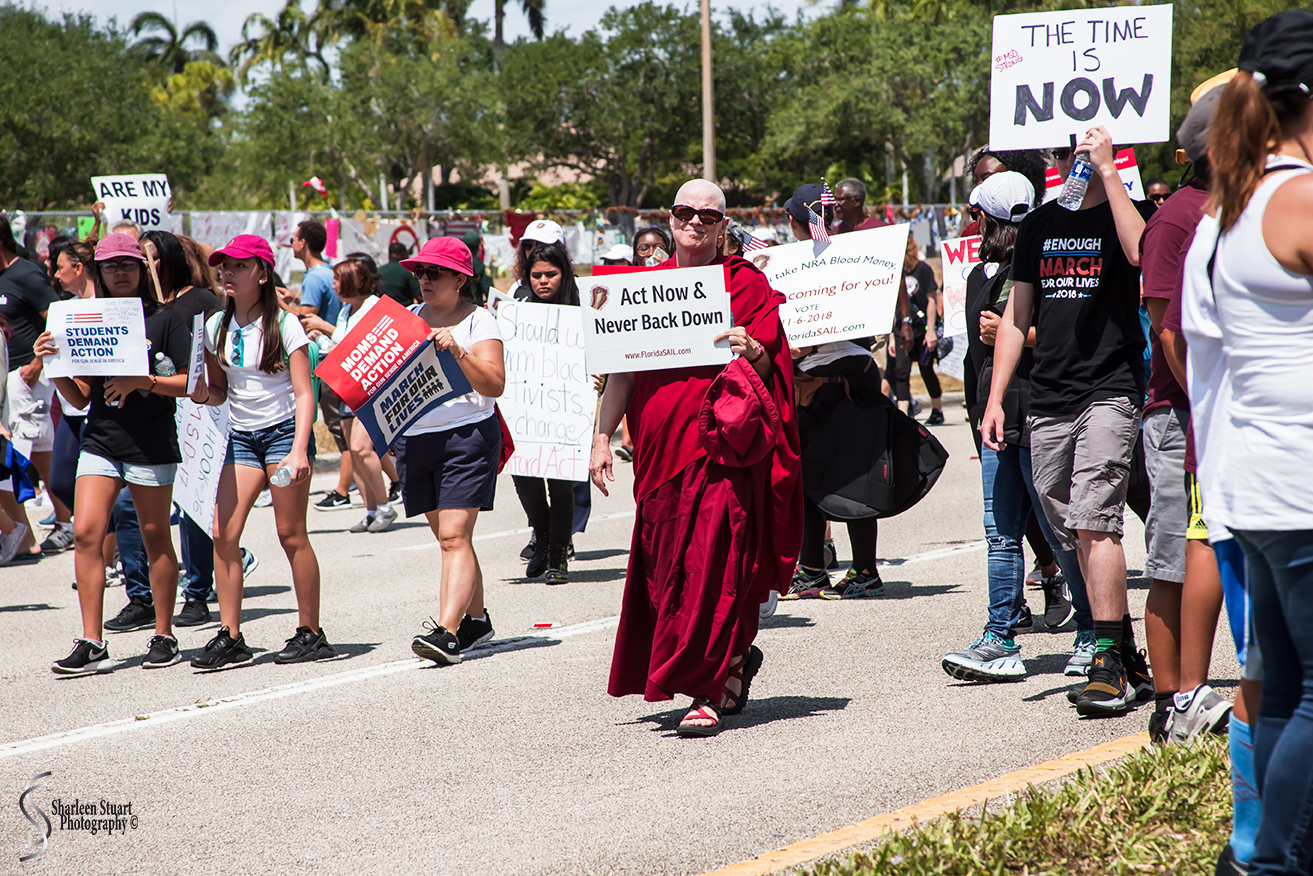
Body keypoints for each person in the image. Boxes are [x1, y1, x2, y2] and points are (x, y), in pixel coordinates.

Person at [591, 179, 801, 738]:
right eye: (685, 212)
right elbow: (621, 374)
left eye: (708, 216)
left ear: (723, 226)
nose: (695, 223)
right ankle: (731, 659)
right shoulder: (642, 289)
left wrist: (755, 350)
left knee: (714, 565)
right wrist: (601, 437)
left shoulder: (744, 283)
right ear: (670, 218)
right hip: (658, 452)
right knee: (666, 570)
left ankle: (704, 690)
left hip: (720, 449)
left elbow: (773, 363)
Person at [1183, 14, 1313, 874]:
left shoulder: (1234, 203)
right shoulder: (1297, 197)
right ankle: (1272, 863)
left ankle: (1258, 857)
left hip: (1262, 484)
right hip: (1301, 482)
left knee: (1287, 691)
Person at [982, 125, 1156, 716]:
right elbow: (1016, 316)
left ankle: (1105, 659)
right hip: (1049, 396)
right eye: (1066, 152)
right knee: (1067, 527)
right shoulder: (1038, 225)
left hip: (1109, 388)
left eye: (1084, 150)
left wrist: (1109, 173)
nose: (1073, 159)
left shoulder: (1130, 212)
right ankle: (1124, 648)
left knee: (1095, 519)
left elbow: (1142, 256)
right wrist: (996, 398)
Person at [941, 171, 1078, 682]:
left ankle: (1094, 635)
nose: (972, 223)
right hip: (997, 416)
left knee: (1059, 531)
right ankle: (999, 635)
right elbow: (976, 357)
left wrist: (1018, 332)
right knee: (1000, 535)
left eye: (976, 215)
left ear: (986, 219)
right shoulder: (979, 276)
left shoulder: (1049, 264)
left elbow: (1071, 333)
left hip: (1041, 412)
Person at [36, 234, 193, 674]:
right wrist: (53, 364)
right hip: (101, 440)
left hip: (150, 442)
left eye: (128, 263)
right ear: (99, 273)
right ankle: (92, 641)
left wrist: (143, 381)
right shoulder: (89, 318)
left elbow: (190, 383)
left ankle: (164, 634)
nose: (120, 271)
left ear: (142, 269)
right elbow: (80, 397)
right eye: (110, 265)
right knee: (86, 533)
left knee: (154, 536)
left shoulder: (165, 319)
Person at [1137, 88, 1234, 746]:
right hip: (1180, 413)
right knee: (1174, 556)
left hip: (1217, 411)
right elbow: (1165, 328)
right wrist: (1205, 402)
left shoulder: (1240, 210)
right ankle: (1171, 700)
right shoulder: (1176, 218)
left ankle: (1187, 695)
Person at [192, 234, 331, 670]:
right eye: (224, 266)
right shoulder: (215, 326)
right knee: (223, 533)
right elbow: (219, 391)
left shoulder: (286, 325)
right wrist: (201, 394)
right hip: (242, 437)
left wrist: (300, 449)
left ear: (263, 274)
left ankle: (311, 632)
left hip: (284, 434)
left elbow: (305, 394)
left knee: (291, 534)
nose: (227, 273)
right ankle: (231, 636)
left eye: (239, 266)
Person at [396, 237, 506, 665]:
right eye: (419, 272)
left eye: (434, 272)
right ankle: (477, 620)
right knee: (451, 540)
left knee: (453, 537)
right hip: (416, 440)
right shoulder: (406, 318)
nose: (423, 279)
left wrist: (458, 351)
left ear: (460, 279)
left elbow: (495, 384)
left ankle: (447, 632)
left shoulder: (480, 321)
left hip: (467, 437)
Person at [777, 184, 885, 602]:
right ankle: (812, 569)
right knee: (809, 481)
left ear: (793, 220)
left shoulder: (827, 261)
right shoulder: (847, 257)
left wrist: (809, 344)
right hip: (833, 381)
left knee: (851, 479)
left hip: (838, 383)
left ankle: (864, 571)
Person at [302, 257, 397, 533]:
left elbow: (363, 345)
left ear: (353, 281)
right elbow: (340, 345)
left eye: (337, 279)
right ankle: (371, 511)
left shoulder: (375, 306)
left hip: (371, 391)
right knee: (353, 453)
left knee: (360, 448)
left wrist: (325, 329)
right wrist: (321, 338)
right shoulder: (346, 310)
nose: (333, 285)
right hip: (347, 387)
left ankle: (385, 507)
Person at [512, 244, 580, 583]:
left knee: (561, 484)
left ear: (563, 275)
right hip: (525, 407)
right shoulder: (517, 309)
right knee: (525, 480)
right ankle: (541, 535)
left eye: (550, 274)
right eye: (536, 275)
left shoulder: (580, 310)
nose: (543, 281)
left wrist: (597, 379)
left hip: (566, 408)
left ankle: (557, 556)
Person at [0, 215, 62, 558]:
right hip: (4, 381)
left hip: (26, 379)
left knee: (29, 456)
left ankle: (61, 523)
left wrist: (37, 365)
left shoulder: (26, 274)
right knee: (19, 459)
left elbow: (57, 319)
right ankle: (26, 537)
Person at [892, 236, 945, 425]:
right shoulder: (893, 270)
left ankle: (937, 409)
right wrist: (890, 335)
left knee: (926, 369)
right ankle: (903, 415)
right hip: (900, 329)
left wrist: (931, 330)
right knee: (900, 371)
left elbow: (931, 300)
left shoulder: (922, 269)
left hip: (922, 329)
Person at [959, 149, 1052, 237]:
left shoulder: (1044, 231)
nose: (979, 187)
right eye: (975, 181)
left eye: (988, 179)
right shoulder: (972, 233)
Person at [379, 241, 421, 306]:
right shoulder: (407, 271)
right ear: (403, 255)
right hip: (405, 309)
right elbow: (419, 296)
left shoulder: (379, 271)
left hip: (384, 310)